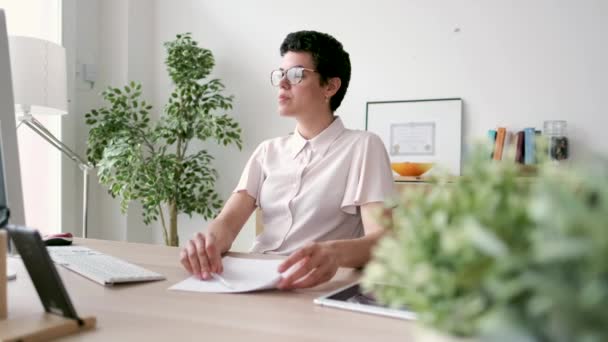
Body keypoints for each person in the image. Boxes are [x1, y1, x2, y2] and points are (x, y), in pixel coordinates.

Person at [180, 30, 394, 290]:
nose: (282, 83)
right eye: (280, 74)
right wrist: (208, 242)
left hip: (310, 286)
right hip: (252, 279)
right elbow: (227, 223)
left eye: (296, 75)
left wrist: (335, 253)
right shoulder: (267, 151)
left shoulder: (363, 146)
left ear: (330, 86)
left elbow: (382, 240)